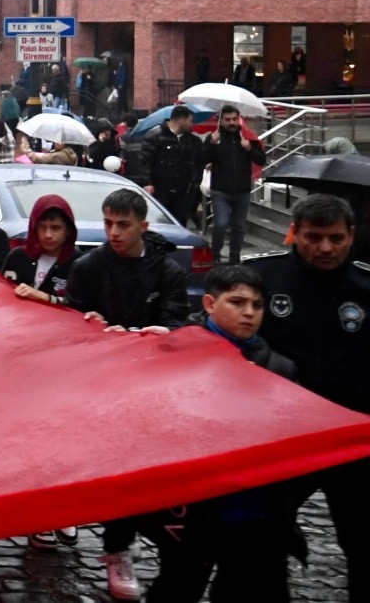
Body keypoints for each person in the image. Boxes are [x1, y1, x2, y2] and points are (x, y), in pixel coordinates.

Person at [120, 264, 300, 603]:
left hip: (255, 514)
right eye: (237, 302)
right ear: (209, 304)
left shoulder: (280, 368)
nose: (249, 313)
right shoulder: (178, 354)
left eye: (257, 305)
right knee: (178, 587)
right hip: (193, 510)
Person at [67, 188, 190, 600]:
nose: (114, 232)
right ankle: (108, 543)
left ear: (143, 225)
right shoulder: (88, 266)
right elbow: (68, 321)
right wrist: (92, 326)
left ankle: (130, 544)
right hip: (98, 384)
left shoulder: (167, 271)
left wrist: (155, 335)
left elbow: (176, 322)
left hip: (149, 384)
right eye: (108, 224)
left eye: (123, 224)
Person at [249, 194, 370, 600]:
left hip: (354, 440)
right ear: (294, 233)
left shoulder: (367, 287)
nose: (325, 248)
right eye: (314, 237)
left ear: (351, 237)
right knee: (264, 537)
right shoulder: (263, 282)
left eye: (335, 238)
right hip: (284, 435)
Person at [204, 104, 266, 265]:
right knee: (221, 223)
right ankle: (215, 253)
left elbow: (261, 159)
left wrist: (249, 149)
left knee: (239, 226)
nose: (232, 123)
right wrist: (211, 143)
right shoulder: (215, 138)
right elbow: (202, 159)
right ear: (221, 121)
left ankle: (234, 257)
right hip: (220, 190)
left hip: (242, 190)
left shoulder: (248, 138)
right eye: (227, 120)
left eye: (234, 119)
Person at [2, 195, 77, 308]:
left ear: (68, 230)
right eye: (41, 227)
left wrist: (46, 297)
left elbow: (82, 307)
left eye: (55, 228)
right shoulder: (17, 257)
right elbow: (0, 295)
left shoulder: (78, 265)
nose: (48, 235)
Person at [144, 105, 205, 227]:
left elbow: (200, 161)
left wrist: (195, 180)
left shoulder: (193, 141)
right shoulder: (154, 136)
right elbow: (145, 160)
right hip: (160, 189)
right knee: (161, 221)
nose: (192, 125)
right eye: (190, 121)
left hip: (184, 190)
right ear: (181, 120)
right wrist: (147, 182)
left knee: (180, 222)